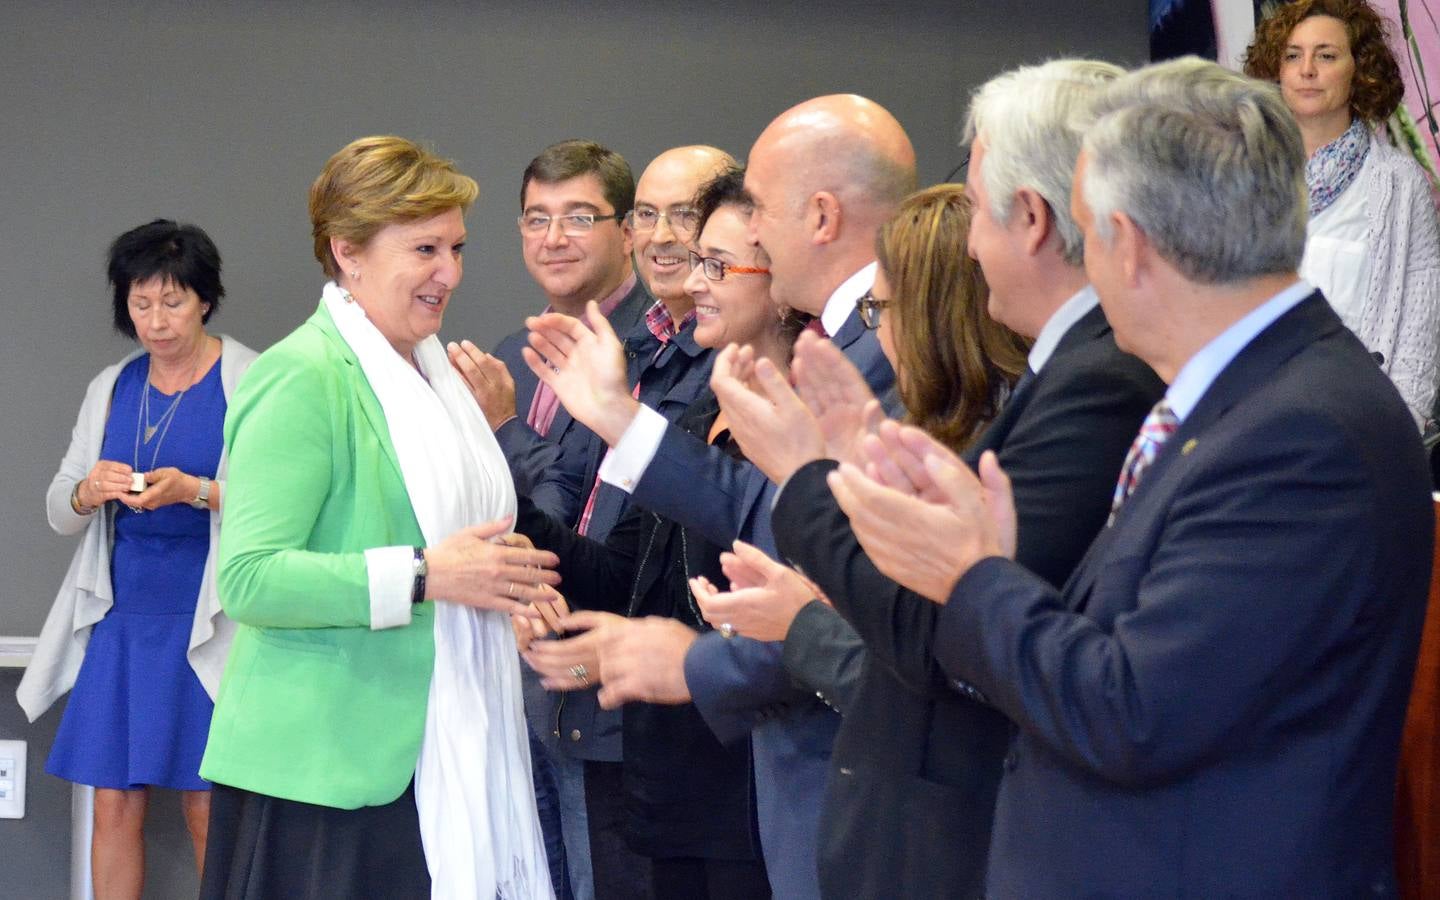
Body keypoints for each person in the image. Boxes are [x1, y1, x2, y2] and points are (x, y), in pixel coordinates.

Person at [829, 58, 1432, 896]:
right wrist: (996, 564)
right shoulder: (1246, 396)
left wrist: (973, 576)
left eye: (1086, 227)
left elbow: (1131, 712)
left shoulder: (1300, 433)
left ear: (1132, 242)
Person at [698, 60, 1164, 899]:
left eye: (979, 213)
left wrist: (810, 474)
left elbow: (941, 632)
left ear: (1029, 219)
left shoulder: (1101, 383)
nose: (970, 243)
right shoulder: (1073, 376)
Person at [523, 95, 911, 900]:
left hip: (802, 759)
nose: (692, 274)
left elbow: (839, 572)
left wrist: (697, 656)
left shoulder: (869, 358)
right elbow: (632, 570)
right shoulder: (718, 405)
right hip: (729, 769)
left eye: (726, 249)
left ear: (822, 216)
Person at [197, 135, 558, 900]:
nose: (450, 273)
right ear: (348, 253)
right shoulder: (301, 375)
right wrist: (430, 575)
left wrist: (508, 577)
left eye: (457, 247)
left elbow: (456, 537)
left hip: (435, 757)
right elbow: (252, 579)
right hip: (325, 779)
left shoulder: (439, 376)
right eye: (425, 248)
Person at [455, 144, 733, 900]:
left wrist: (508, 431)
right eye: (652, 214)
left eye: (579, 217)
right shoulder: (547, 350)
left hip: (649, 696)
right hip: (550, 667)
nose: (667, 236)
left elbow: (645, 544)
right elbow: (568, 521)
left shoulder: (697, 364)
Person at [515, 166, 775, 900]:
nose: (694, 281)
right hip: (669, 788)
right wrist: (505, 506)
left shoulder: (791, 430)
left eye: (715, 264)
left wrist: (607, 411)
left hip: (746, 791)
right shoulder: (697, 421)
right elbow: (620, 580)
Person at [17, 220, 256, 900]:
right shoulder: (111, 386)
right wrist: (90, 491)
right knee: (113, 801)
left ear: (205, 299)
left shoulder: (251, 377)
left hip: (214, 614)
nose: (156, 320)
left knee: (210, 801)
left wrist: (200, 491)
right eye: (141, 303)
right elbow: (59, 508)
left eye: (172, 302)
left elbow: (287, 505)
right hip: (124, 617)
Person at [1244, 0, 1440, 426]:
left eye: (1326, 55)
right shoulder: (1242, 176)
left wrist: (1391, 439)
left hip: (1355, 432)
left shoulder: (1400, 184)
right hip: (1251, 428)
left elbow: (1417, 345)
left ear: (1361, 69)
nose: (1306, 70)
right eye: (1292, 55)